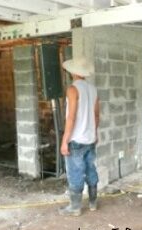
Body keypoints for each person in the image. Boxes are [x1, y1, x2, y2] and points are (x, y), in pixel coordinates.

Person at [59, 57, 100, 216]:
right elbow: (97, 116)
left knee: (75, 173)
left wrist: (64, 141)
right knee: (91, 170)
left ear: (73, 72)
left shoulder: (72, 89)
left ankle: (75, 208)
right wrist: (95, 133)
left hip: (76, 140)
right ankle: (93, 203)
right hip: (90, 139)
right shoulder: (93, 89)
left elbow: (71, 117)